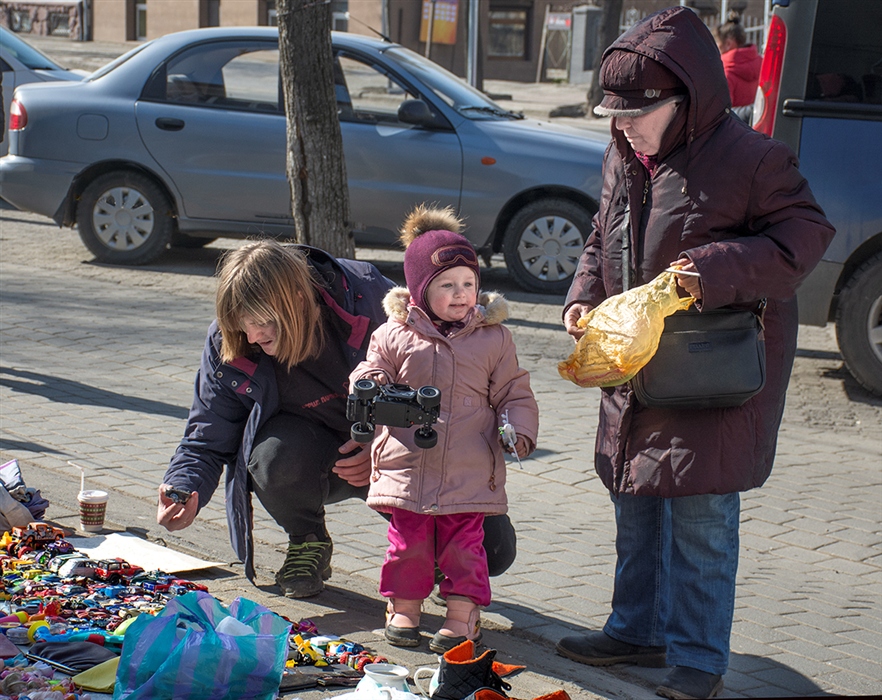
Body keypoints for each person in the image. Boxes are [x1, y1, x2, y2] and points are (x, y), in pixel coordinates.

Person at [557, 7, 834, 700]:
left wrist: (708, 270)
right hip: (634, 365)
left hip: (714, 374)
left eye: (634, 113)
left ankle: (699, 661)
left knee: (703, 523)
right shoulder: (625, 153)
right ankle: (635, 629)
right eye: (612, 113)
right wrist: (581, 295)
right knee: (635, 501)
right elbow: (600, 237)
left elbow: (804, 237)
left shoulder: (754, 158)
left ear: (684, 99)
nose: (620, 125)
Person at [157, 239, 518, 598]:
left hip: (401, 450)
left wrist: (382, 449)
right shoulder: (230, 339)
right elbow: (207, 433)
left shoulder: (367, 295)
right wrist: (184, 486)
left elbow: (449, 393)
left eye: (264, 323)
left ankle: (429, 549)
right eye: (242, 325)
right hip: (307, 450)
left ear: (298, 302)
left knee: (493, 552)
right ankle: (307, 540)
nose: (252, 336)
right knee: (270, 459)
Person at [350, 205, 538, 653]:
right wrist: (367, 385)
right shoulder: (394, 334)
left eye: (468, 284)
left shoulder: (494, 339)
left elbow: (515, 390)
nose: (461, 294)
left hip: (469, 467)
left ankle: (461, 614)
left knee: (464, 548)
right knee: (407, 544)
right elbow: (370, 369)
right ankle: (404, 608)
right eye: (447, 286)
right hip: (408, 463)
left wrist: (519, 428)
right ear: (418, 292)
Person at [713, 11, 762, 122]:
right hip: (759, 129)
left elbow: (721, 114)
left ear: (729, 44)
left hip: (735, 133)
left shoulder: (725, 71)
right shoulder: (763, 64)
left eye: (719, 47)